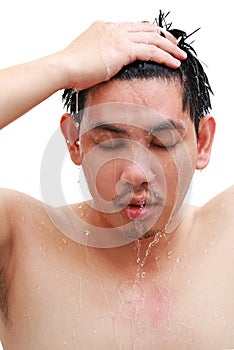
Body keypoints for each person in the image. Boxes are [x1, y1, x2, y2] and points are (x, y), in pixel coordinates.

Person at [0, 11, 234, 350]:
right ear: (74, 142)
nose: (137, 173)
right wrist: (62, 66)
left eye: (162, 142)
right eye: (110, 142)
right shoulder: (19, 243)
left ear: (203, 143)